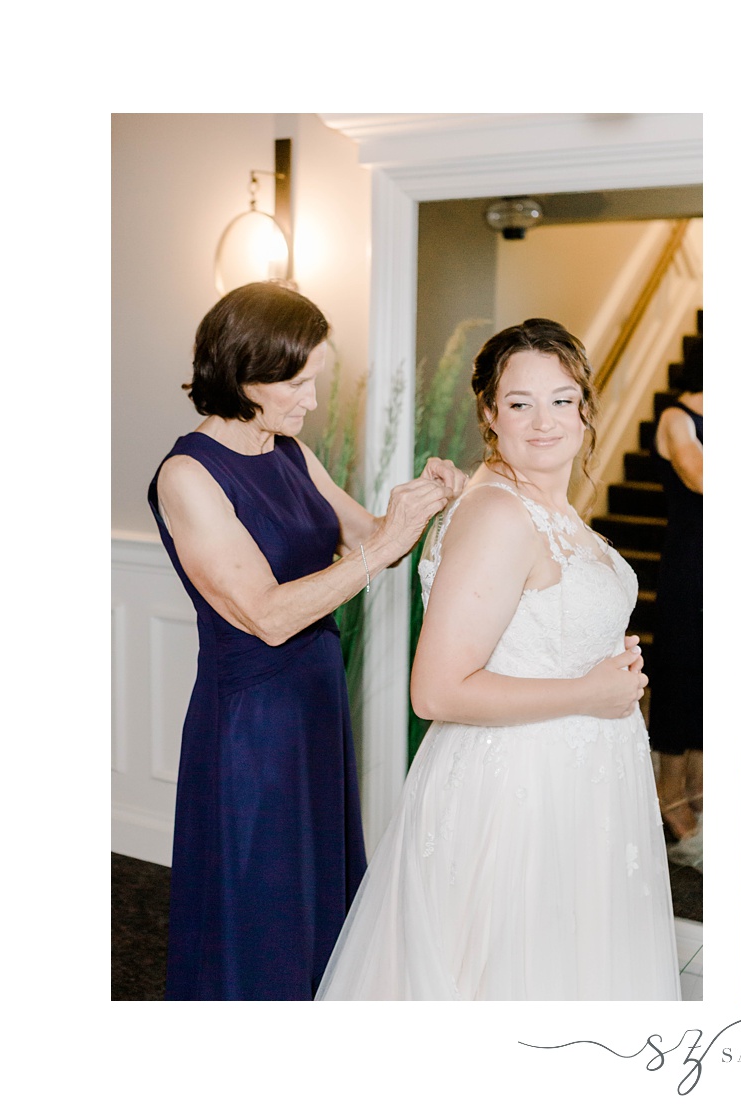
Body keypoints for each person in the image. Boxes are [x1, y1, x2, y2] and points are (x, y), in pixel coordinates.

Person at [316, 318, 680, 1000]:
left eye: (562, 399)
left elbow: (540, 628)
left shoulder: (550, 509)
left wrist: (604, 655)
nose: (544, 421)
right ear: (489, 412)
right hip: (517, 792)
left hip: (576, 782)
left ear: (584, 407)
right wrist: (588, 692)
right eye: (520, 403)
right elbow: (438, 692)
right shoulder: (497, 514)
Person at [149, 282, 464, 999]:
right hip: (252, 723)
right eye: (297, 382)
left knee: (318, 888)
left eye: (314, 378)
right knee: (260, 900)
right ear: (243, 373)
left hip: (315, 698)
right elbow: (265, 614)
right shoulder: (188, 474)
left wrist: (436, 497)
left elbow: (364, 534)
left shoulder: (287, 448)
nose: (312, 399)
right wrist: (382, 549)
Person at [649, 371, 704, 847]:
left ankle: (701, 789)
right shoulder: (677, 417)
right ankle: (670, 795)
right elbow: (700, 477)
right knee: (679, 672)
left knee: (712, 673)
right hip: (690, 561)